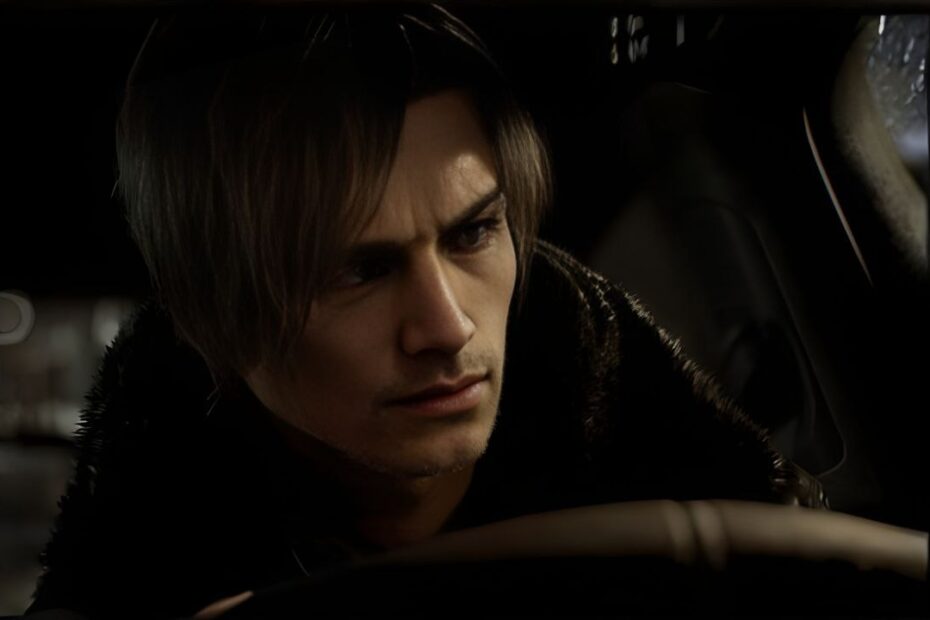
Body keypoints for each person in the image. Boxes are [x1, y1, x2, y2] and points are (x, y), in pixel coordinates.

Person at [27, 6, 825, 619]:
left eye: (473, 233)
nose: (448, 328)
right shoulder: (139, 576)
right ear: (213, 315)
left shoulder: (724, 519)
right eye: (357, 270)